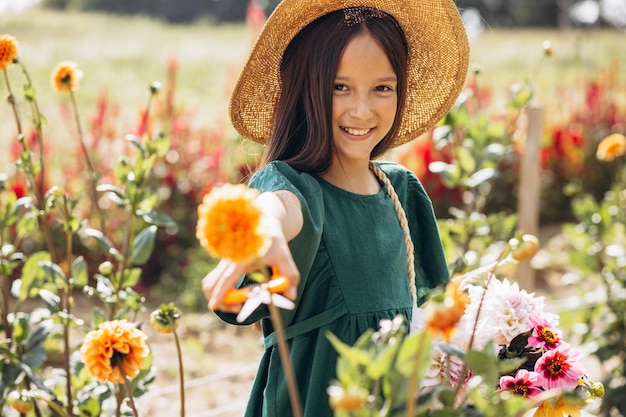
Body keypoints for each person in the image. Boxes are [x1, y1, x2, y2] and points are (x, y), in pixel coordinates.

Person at [202, 0, 469, 416]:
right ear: (306, 88)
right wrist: (263, 230)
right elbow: (277, 209)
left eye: (382, 88)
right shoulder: (293, 187)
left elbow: (438, 318)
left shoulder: (402, 192)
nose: (361, 110)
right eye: (339, 87)